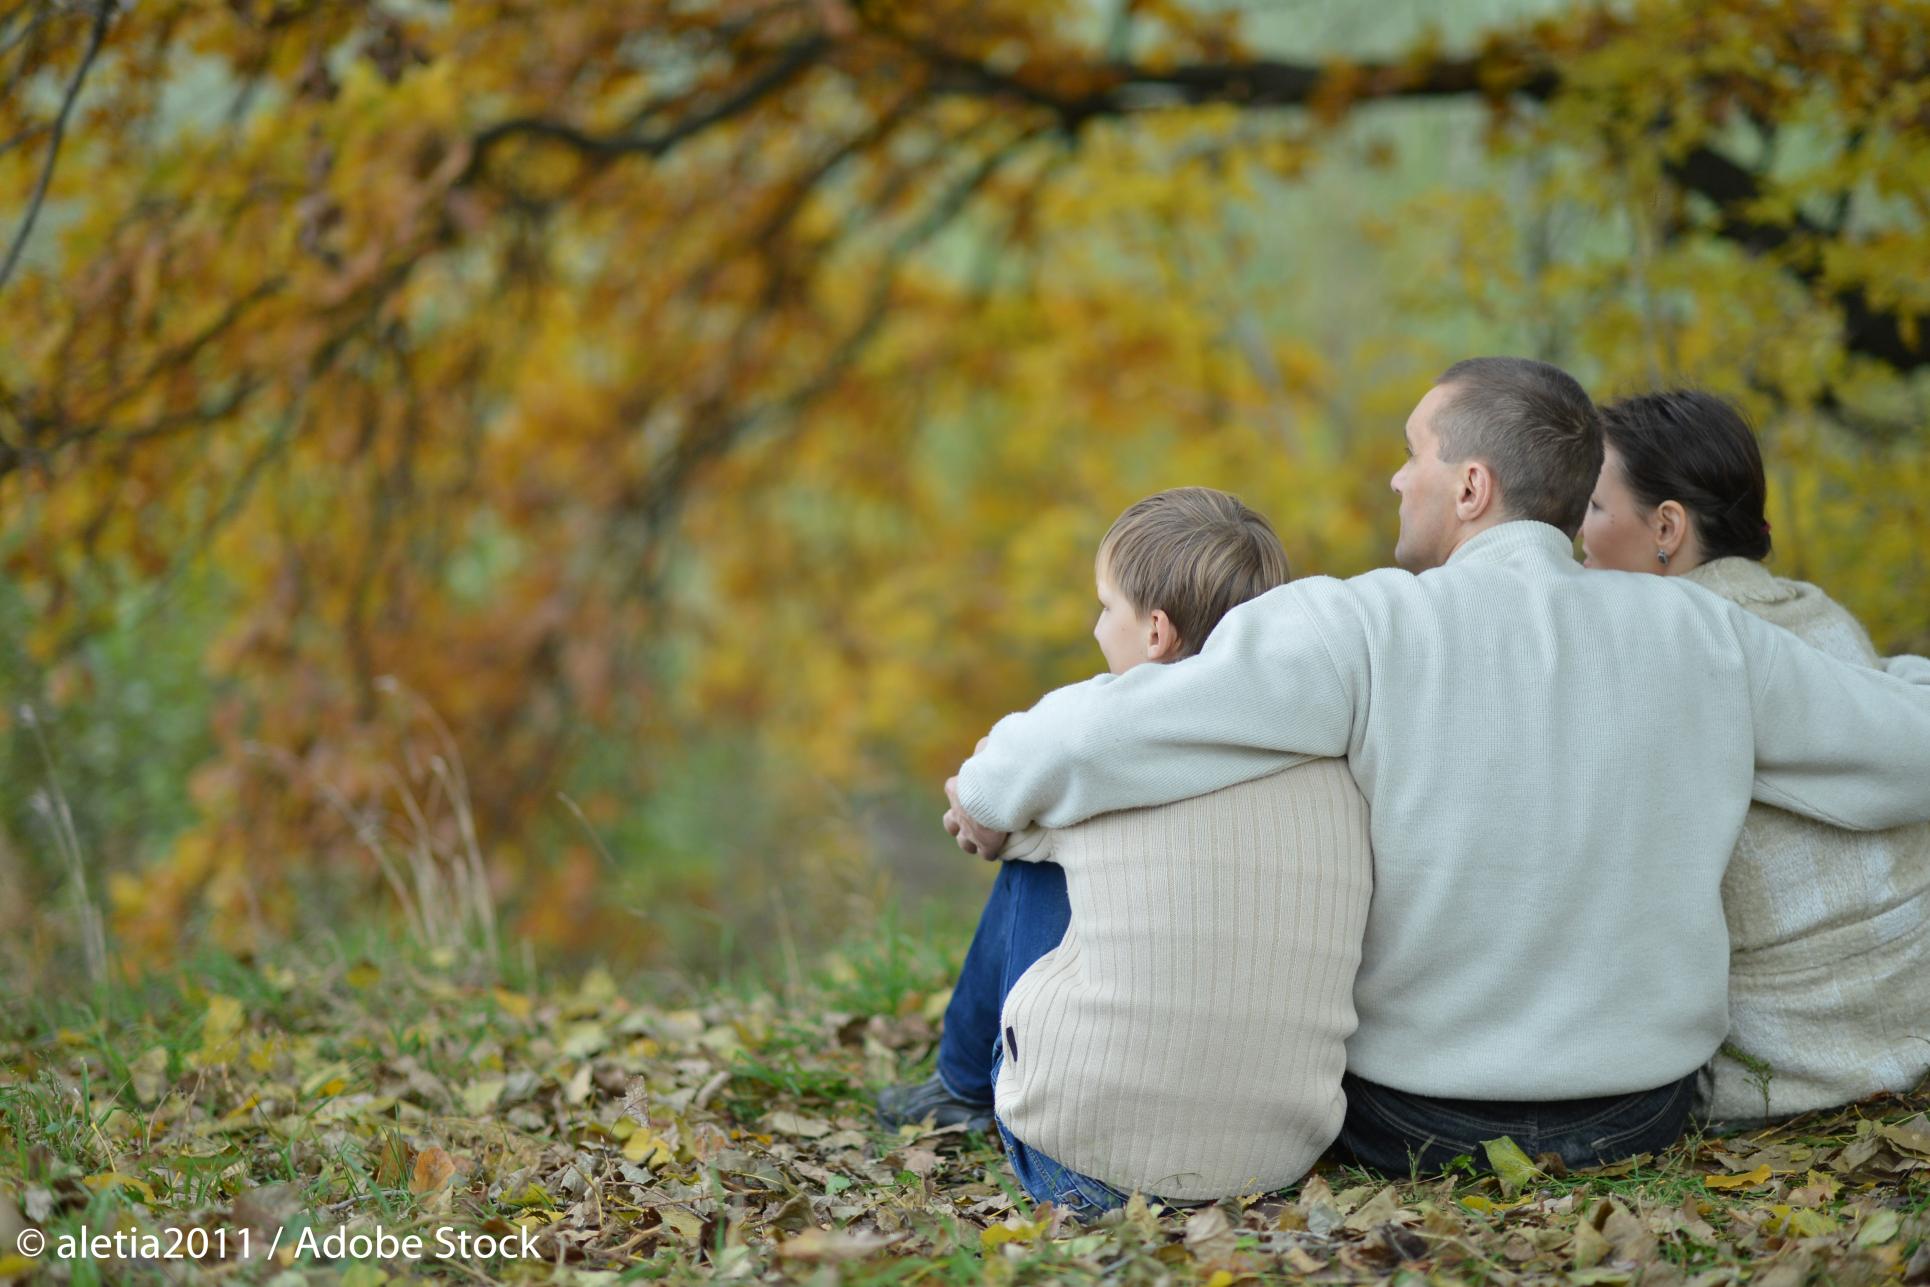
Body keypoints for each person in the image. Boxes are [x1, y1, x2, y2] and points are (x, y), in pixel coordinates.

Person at [945, 356, 1930, 1175]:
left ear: (1470, 487)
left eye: (1413, 454)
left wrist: (986, 796)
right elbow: (1904, 746)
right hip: (1639, 1113)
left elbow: (1109, 730)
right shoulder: (1705, 636)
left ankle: (957, 1089)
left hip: (1413, 1121)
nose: (1395, 480)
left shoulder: (1362, 623)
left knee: (1139, 812)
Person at [880, 487, 1374, 1212]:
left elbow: (987, 795)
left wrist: (997, 819)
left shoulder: (1101, 729)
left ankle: (959, 1087)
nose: (1093, 623)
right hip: (1279, 1163)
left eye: (1106, 605)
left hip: (1084, 1168)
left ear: (1155, 632)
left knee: (1034, 851)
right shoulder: (1335, 754)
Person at [1581, 388, 1930, 1122]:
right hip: (1906, 1010)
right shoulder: (1818, 612)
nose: (1578, 535)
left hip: (1792, 1056)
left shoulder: (1674, 651)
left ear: (1666, 526)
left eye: (1595, 507)